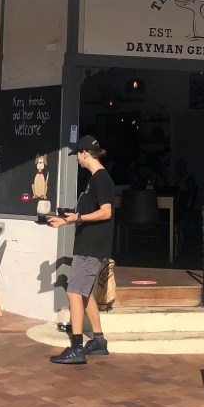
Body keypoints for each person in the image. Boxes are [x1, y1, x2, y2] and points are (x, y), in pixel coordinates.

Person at [47, 135, 115, 364]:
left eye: (77, 154)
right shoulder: (96, 179)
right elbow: (86, 215)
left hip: (91, 247)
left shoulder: (100, 178)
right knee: (84, 293)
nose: (76, 158)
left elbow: (106, 212)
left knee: (74, 292)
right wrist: (65, 220)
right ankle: (99, 342)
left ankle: (76, 347)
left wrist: (78, 218)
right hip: (89, 245)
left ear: (85, 153)